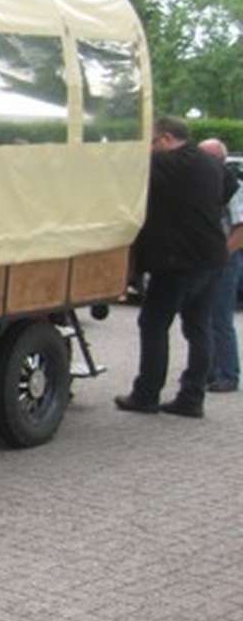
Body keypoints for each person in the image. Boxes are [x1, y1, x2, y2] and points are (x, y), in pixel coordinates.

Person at [116, 117, 234, 418]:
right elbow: (229, 187)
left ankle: (146, 394)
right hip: (212, 257)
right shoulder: (210, 163)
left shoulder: (167, 164)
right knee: (199, 327)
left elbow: (126, 175)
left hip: (176, 261)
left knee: (153, 324)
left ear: (166, 139)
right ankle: (192, 397)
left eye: (152, 142)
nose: (150, 149)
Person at [198, 138, 243, 392]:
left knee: (220, 318)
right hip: (208, 259)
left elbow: (240, 228)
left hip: (225, 259)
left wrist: (221, 256)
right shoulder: (206, 186)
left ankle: (228, 373)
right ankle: (209, 370)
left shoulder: (234, 188)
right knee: (204, 318)